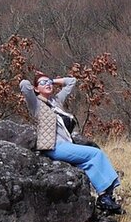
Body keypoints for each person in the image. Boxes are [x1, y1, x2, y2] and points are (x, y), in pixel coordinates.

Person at [19, 71, 123, 214]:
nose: (48, 84)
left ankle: (107, 197)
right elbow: (24, 85)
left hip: (67, 145)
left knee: (89, 163)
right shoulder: (36, 104)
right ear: (36, 88)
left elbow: (71, 81)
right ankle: (104, 197)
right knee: (96, 154)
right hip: (54, 146)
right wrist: (37, 83)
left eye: (48, 82)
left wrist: (52, 80)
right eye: (43, 83)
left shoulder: (57, 101)